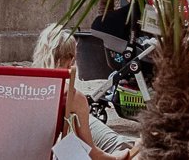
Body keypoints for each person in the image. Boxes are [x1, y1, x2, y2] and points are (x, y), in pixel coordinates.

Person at [33, 24, 137, 160]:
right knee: (124, 145)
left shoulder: (21, 89)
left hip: (32, 145)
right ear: (70, 60)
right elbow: (93, 153)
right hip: (64, 140)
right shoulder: (73, 98)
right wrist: (116, 158)